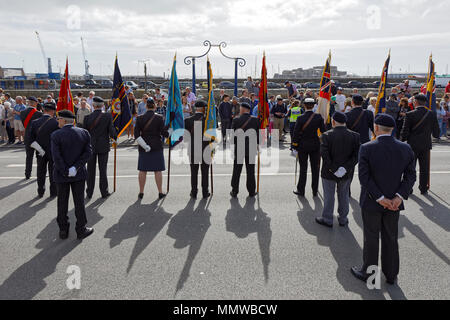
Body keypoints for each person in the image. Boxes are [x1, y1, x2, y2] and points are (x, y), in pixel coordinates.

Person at [351, 114, 416, 285]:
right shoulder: (405, 148)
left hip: (372, 201)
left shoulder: (366, 147)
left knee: (371, 238)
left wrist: (380, 198)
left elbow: (364, 178)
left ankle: (370, 275)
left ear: (376, 128)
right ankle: (391, 275)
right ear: (393, 128)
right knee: (391, 237)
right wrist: (398, 197)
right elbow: (410, 176)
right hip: (395, 203)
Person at [51, 110, 94, 240]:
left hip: (61, 174)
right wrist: (75, 167)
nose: (58, 121)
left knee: (62, 202)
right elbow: (88, 153)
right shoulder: (84, 132)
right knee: (79, 202)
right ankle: (81, 229)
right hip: (78, 173)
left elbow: (56, 157)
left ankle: (63, 230)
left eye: (59, 119)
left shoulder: (56, 135)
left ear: (64, 120)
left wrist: (65, 170)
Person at [316, 112, 360, 228]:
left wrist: (334, 169)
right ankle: (343, 219)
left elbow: (324, 155)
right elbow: (356, 156)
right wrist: (344, 168)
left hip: (328, 172)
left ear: (333, 121)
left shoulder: (325, 135)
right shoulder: (355, 135)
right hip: (346, 172)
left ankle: (328, 218)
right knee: (344, 196)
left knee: (329, 196)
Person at [400, 94, 440, 195]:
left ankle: (409, 188)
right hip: (426, 145)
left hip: (412, 145)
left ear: (416, 102)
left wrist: (401, 140)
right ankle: (423, 188)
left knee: (410, 168)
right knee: (424, 168)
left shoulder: (410, 114)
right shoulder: (431, 114)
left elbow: (405, 131)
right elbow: (436, 133)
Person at [134, 98, 169, 200]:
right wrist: (170, 128)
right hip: (156, 146)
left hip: (143, 147)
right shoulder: (159, 118)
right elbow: (164, 133)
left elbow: (136, 135)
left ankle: (141, 192)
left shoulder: (139, 118)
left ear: (146, 106)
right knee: (158, 170)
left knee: (142, 170)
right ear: (154, 106)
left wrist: (144, 146)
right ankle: (160, 192)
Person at [83, 97, 117, 199]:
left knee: (90, 171)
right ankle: (104, 192)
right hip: (103, 146)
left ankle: (89, 192)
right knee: (103, 170)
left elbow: (85, 133)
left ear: (93, 105)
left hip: (91, 146)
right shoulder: (107, 116)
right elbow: (111, 131)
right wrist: (115, 137)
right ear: (102, 105)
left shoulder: (87, 117)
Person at [292, 98, 326, 197]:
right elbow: (324, 131)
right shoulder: (318, 117)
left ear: (304, 106)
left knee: (303, 169)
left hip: (302, 145)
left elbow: (296, 133)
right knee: (315, 169)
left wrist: (294, 145)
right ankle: (314, 190)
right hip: (315, 145)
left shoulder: (300, 118)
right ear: (313, 106)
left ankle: (301, 190)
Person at [29, 102, 59, 198]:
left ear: (44, 110)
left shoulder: (35, 122)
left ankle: (40, 191)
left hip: (40, 152)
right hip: (52, 151)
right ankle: (53, 192)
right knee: (52, 172)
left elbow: (30, 140)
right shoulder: (56, 122)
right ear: (52, 111)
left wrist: (40, 150)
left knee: (40, 172)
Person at [230, 102, 260, 198]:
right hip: (251, 148)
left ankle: (234, 191)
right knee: (250, 171)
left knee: (236, 170)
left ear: (242, 109)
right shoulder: (255, 120)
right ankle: (251, 191)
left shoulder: (236, 120)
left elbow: (232, 136)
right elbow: (258, 135)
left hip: (239, 148)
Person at [185, 101, 212, 199]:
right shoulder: (208, 121)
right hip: (205, 149)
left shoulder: (187, 120)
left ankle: (194, 192)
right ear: (203, 109)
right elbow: (212, 138)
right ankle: (205, 192)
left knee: (194, 172)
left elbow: (185, 138)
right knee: (205, 172)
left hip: (192, 149)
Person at [21, 96, 43, 179]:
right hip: (37, 138)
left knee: (29, 157)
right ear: (35, 103)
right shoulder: (39, 113)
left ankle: (27, 173)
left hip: (27, 137)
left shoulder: (22, 112)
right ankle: (39, 173)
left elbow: (25, 125)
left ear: (28, 103)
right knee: (39, 157)